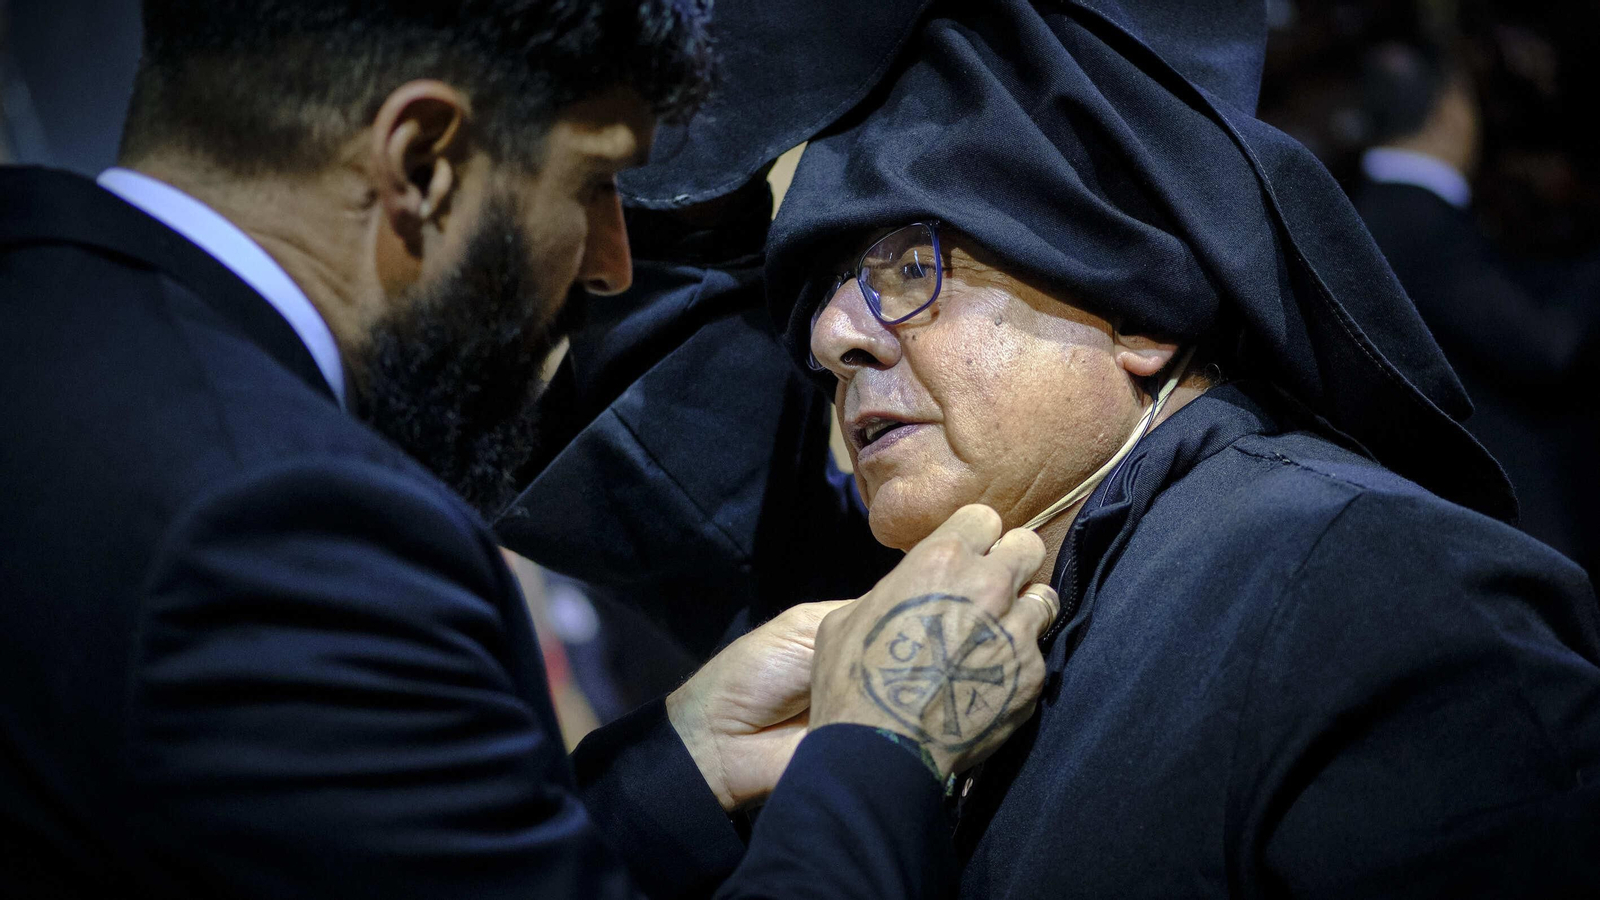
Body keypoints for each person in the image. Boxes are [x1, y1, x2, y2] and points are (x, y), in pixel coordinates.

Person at [0, 2, 1059, 897]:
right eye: (593, 184)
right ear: (422, 161)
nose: (607, 266)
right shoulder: (275, 526)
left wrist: (676, 760)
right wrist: (882, 750)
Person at [757, 1, 1600, 896]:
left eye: (909, 266)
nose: (832, 336)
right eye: (828, 291)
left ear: (1139, 309)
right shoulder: (956, 631)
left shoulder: (1379, 585)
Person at [1351, 41, 1598, 570]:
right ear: (1451, 109)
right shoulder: (1422, 225)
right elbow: (1545, 346)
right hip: (1512, 522)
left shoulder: (1367, 214)